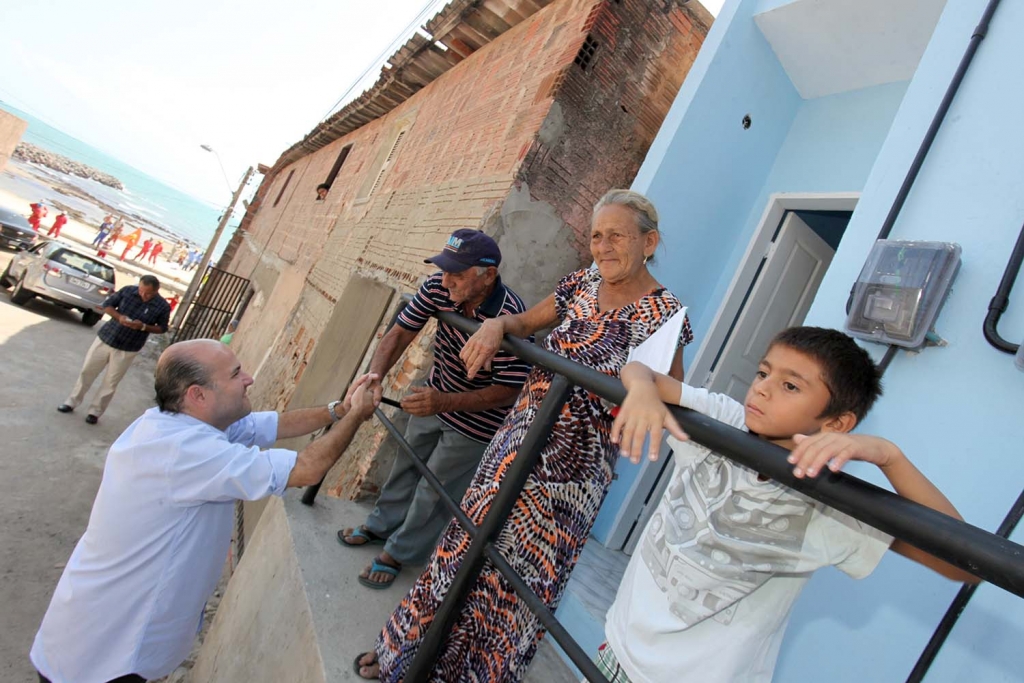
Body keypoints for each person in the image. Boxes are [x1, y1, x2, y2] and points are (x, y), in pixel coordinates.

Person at [356, 189, 694, 681]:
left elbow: (670, 395)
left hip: (571, 477)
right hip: (515, 443)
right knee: (461, 551)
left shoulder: (666, 315)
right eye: (596, 235)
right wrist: (495, 327)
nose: (602, 246)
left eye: (616, 235)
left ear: (650, 241)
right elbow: (523, 321)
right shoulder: (583, 282)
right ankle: (402, 652)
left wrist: (643, 390)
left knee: (516, 588)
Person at [597, 327, 977, 683]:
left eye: (790, 385)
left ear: (837, 422)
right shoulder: (722, 423)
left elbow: (963, 566)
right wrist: (643, 392)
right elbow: (639, 370)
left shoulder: (831, 505)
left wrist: (891, 457)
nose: (762, 390)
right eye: (763, 374)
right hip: (616, 649)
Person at [32, 339, 381, 683]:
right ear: (197, 395)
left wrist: (341, 409)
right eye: (235, 374)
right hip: (105, 655)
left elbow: (274, 425)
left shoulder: (178, 423)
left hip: (103, 636)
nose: (249, 378)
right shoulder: (185, 451)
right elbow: (307, 469)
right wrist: (358, 417)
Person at [338, 229, 531, 588]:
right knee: (406, 462)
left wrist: (443, 402)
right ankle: (380, 525)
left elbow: (508, 390)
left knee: (436, 488)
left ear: (487, 275)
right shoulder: (438, 287)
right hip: (435, 395)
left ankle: (399, 552)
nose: (445, 281)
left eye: (456, 274)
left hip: (477, 417)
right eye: (444, 270)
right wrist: (375, 375)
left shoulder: (511, 316)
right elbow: (398, 333)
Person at [57, 275, 171, 424]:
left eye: (148, 293)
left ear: (156, 291)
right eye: (141, 290)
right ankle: (71, 402)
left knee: (111, 382)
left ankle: (95, 412)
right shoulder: (128, 291)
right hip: (106, 338)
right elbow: (107, 305)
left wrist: (143, 326)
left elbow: (162, 327)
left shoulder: (162, 306)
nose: (143, 295)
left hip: (129, 346)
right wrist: (119, 317)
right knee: (87, 372)